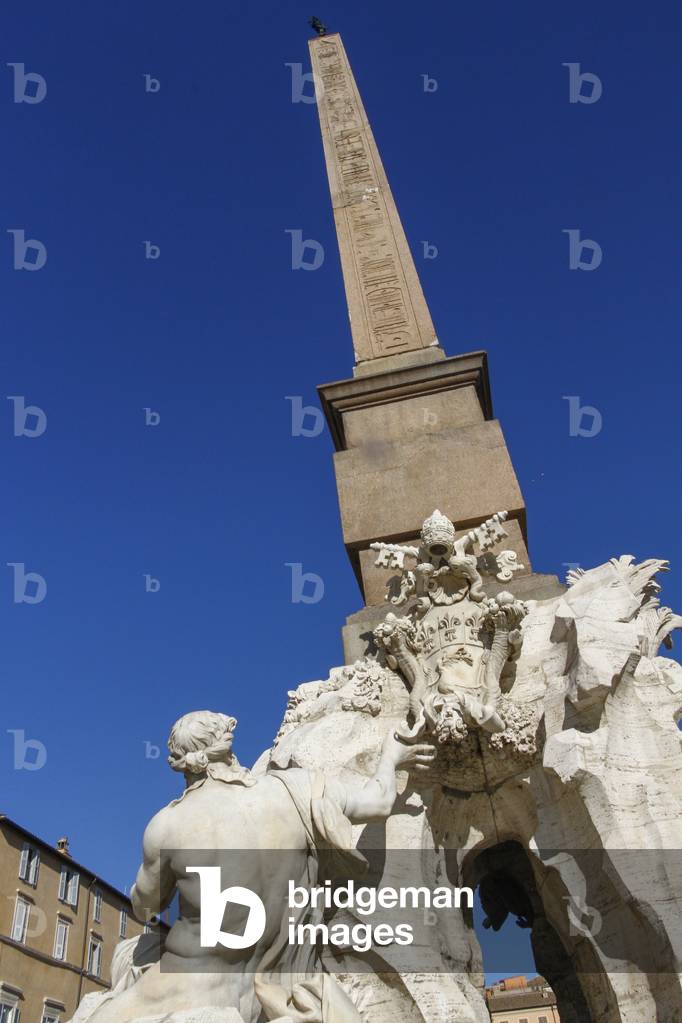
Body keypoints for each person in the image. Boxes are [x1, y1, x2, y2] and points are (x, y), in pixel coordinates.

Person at [79, 710, 435, 1023]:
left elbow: (144, 908)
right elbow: (378, 802)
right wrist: (391, 757)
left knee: (131, 957)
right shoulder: (297, 790)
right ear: (228, 747)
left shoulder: (168, 825)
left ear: (179, 762)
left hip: (184, 989)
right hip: (266, 994)